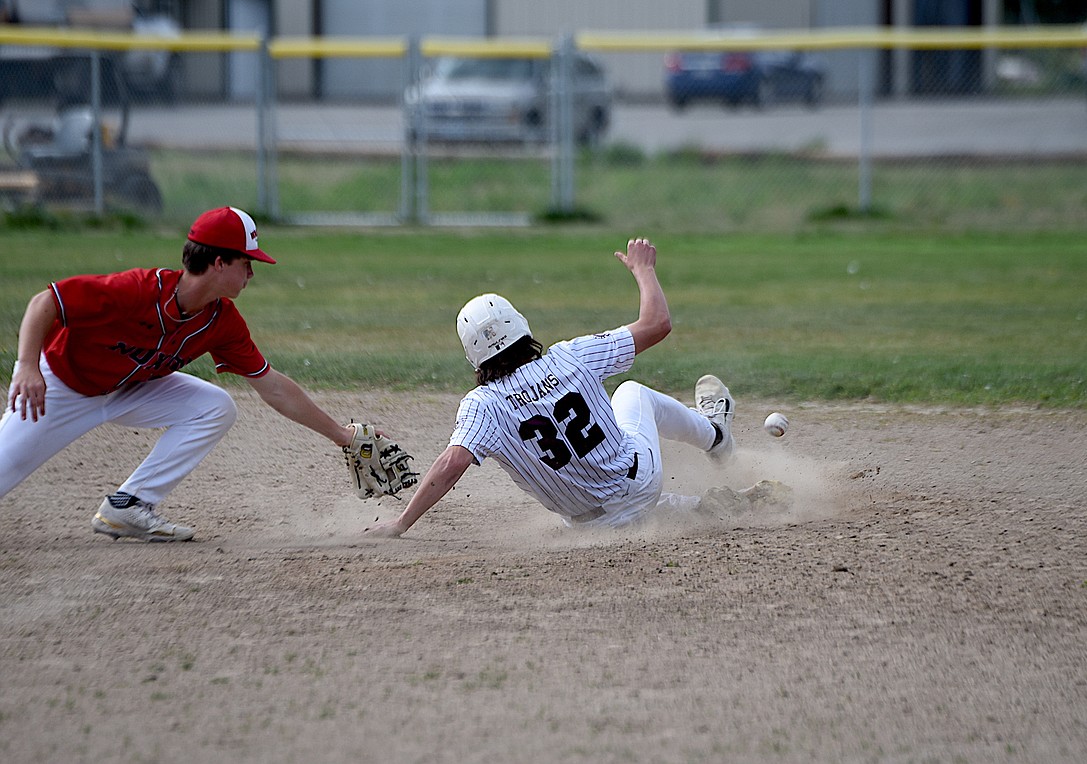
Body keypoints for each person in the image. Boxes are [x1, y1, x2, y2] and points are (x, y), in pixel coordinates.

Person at [1, 206, 367, 542]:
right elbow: (45, 302)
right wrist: (27, 366)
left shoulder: (221, 320)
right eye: (247, 262)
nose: (252, 273)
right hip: (61, 386)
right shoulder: (137, 290)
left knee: (215, 406)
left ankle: (129, 505)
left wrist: (341, 435)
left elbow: (272, 387)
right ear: (219, 262)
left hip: (129, 389)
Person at [370, 237, 735, 537]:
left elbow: (453, 462)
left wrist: (401, 523)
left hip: (588, 526)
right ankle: (715, 436)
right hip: (639, 486)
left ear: (473, 356)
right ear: (521, 325)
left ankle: (699, 499)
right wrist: (644, 270)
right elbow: (657, 324)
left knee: (603, 492)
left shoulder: (483, 405)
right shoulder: (570, 356)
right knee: (631, 392)